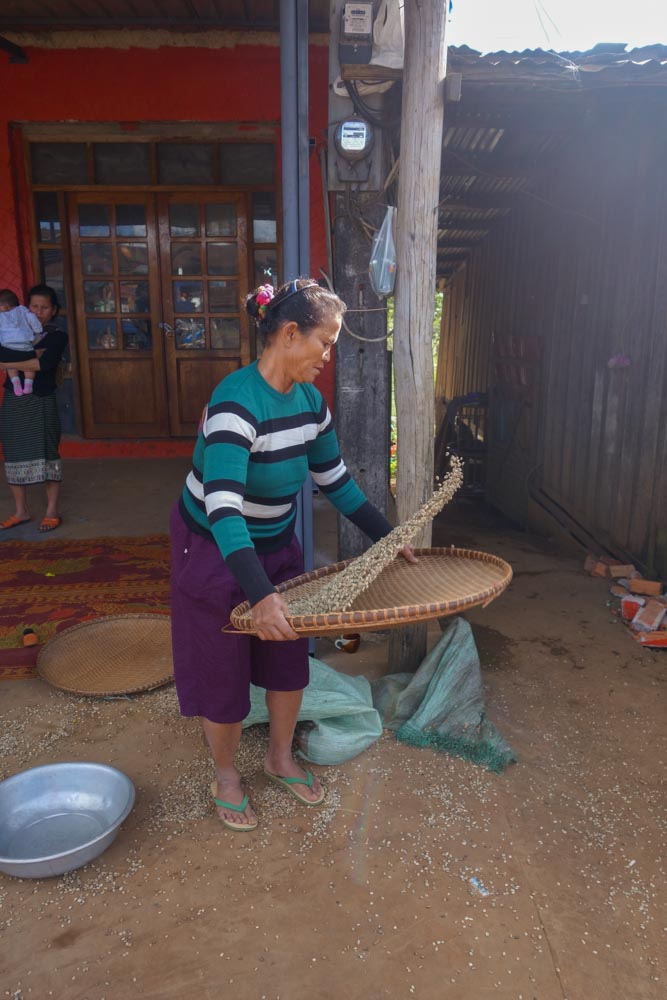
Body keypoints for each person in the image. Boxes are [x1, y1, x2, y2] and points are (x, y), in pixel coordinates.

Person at [170, 278, 415, 833]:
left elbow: (337, 481)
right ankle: (226, 774)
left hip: (276, 544)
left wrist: (388, 539)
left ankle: (279, 757)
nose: (327, 357)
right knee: (222, 665)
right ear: (288, 333)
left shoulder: (310, 403)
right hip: (214, 548)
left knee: (287, 658)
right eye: (323, 343)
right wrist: (260, 596)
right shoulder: (236, 403)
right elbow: (224, 511)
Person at [0, 284, 68, 532]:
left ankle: (51, 510)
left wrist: (13, 361)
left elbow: (45, 365)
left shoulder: (56, 335)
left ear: (53, 311)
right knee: (14, 453)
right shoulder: (10, 329)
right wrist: (30, 358)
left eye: (44, 307)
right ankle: (21, 511)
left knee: (48, 453)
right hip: (13, 402)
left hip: (41, 400)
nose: (38, 312)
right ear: (24, 308)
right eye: (34, 306)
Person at [0, 288, 42, 396]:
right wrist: (38, 330)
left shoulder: (1, 315)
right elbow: (33, 320)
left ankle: (16, 383)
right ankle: (28, 385)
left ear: (6, 306)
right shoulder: (23, 310)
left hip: (7, 346)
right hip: (24, 345)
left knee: (10, 365)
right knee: (29, 365)